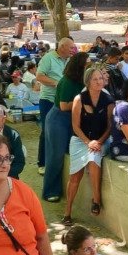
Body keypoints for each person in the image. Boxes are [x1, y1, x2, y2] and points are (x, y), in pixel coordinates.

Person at [64, 66, 114, 225]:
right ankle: (68, 212)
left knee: (93, 159)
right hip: (81, 139)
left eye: (101, 78)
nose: (99, 81)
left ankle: (96, 200)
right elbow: (75, 126)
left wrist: (98, 142)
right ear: (88, 82)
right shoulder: (79, 99)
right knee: (75, 175)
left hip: (100, 140)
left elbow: (110, 126)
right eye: (95, 79)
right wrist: (88, 142)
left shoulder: (108, 100)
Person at [43, 51, 87, 203]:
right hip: (58, 120)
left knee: (69, 153)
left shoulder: (82, 80)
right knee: (55, 156)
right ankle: (50, 191)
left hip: (70, 120)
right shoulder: (68, 81)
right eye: (87, 64)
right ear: (79, 66)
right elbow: (63, 106)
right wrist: (81, 103)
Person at [36, 37, 73, 178]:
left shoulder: (69, 60)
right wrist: (57, 84)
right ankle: (42, 163)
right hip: (48, 99)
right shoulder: (48, 58)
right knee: (46, 131)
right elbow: (39, 76)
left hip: (63, 101)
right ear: (62, 47)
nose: (72, 50)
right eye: (70, 48)